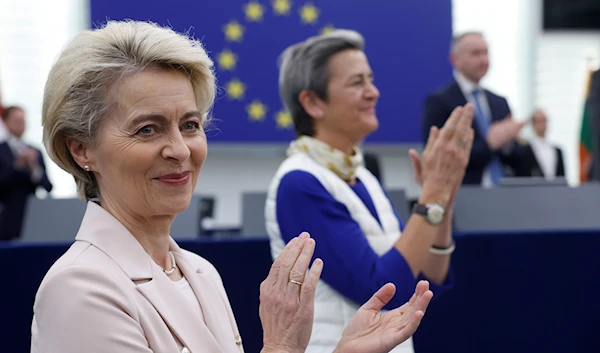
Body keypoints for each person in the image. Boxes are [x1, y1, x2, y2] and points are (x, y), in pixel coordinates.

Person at [31, 20, 434, 353]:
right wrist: (279, 346)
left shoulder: (201, 273)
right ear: (82, 149)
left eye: (190, 125)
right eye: (147, 129)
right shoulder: (79, 288)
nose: (179, 149)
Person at [265, 29, 474, 353]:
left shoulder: (363, 176)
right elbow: (380, 287)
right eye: (356, 83)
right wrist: (432, 193)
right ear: (312, 102)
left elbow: (429, 274)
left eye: (371, 80)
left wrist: (443, 193)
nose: (373, 92)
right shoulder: (299, 184)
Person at [422, 31, 524, 187]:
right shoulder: (440, 102)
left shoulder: (499, 102)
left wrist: (508, 145)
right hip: (462, 195)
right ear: (455, 59)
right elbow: (440, 159)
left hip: (504, 194)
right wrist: (489, 143)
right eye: (476, 53)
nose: (484, 60)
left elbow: (517, 159)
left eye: (486, 53)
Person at [0, 105, 53, 240]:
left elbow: (48, 186)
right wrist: (17, 166)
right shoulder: (1, 151)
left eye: (23, 121)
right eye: (17, 121)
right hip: (5, 219)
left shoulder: (34, 151)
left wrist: (33, 168)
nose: (21, 125)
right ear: (6, 122)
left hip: (32, 218)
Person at [514, 109, 565, 179]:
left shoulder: (557, 151)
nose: (542, 124)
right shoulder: (524, 150)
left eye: (544, 120)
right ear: (532, 124)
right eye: (539, 121)